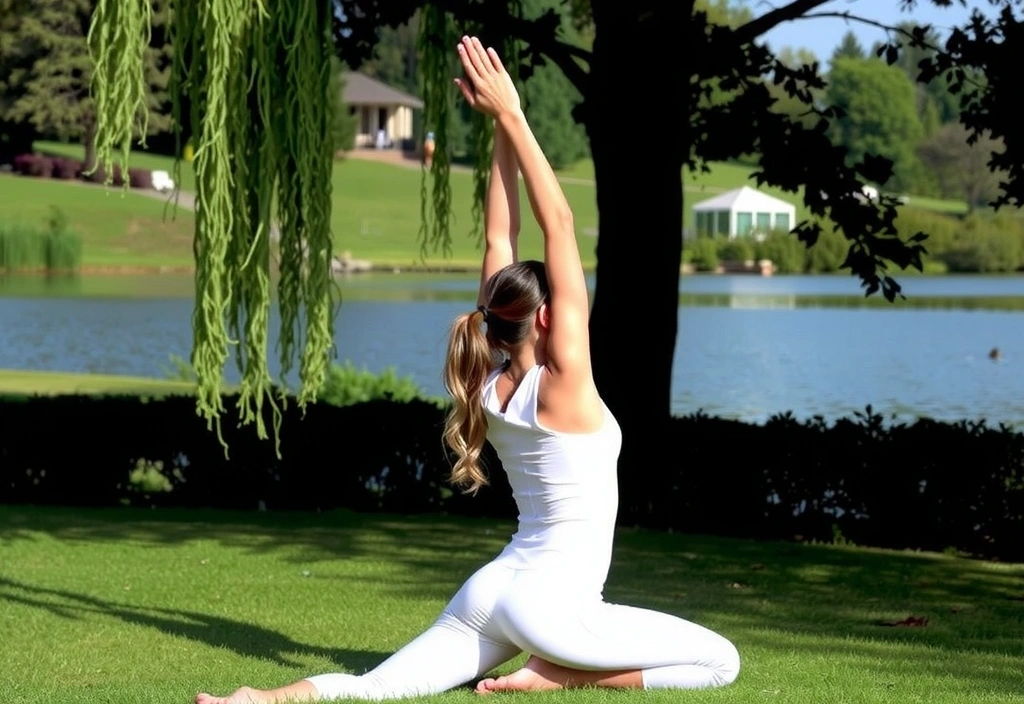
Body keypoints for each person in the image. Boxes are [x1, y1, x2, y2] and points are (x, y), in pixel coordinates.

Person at [196, 36, 740, 704]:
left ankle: (260, 700)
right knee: (722, 662)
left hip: (492, 590)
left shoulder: (490, 375)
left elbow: (498, 240)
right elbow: (560, 225)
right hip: (553, 609)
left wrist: (500, 131)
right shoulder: (565, 381)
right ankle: (556, 675)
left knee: (376, 688)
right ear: (546, 319)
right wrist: (511, 115)